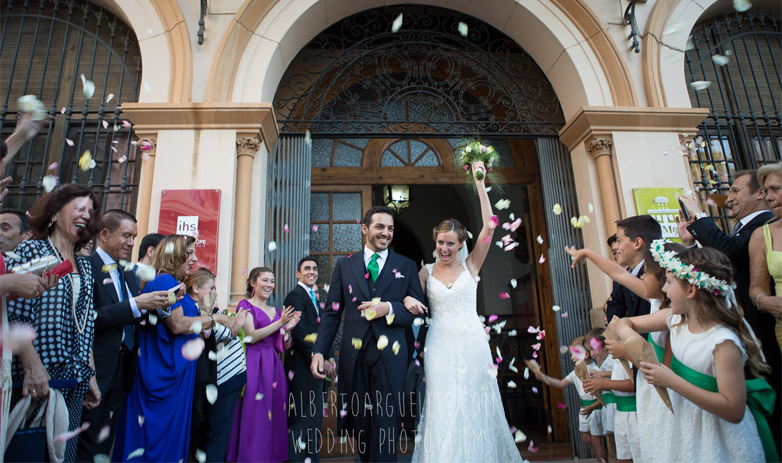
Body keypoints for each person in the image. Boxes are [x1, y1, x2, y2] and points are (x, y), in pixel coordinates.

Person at [404, 161, 522, 463]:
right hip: (439, 345)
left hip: (472, 345)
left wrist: (479, 181)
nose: (445, 249)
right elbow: (409, 298)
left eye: (451, 244)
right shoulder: (425, 272)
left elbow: (491, 224)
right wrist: (406, 301)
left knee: (474, 403)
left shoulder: (472, 266)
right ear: (435, 241)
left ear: (461, 244)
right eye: (441, 243)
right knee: (442, 406)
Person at [615, 245, 777, 462]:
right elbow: (625, 322)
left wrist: (672, 381)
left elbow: (734, 409)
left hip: (718, 436)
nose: (664, 289)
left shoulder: (722, 342)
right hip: (687, 426)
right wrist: (628, 333)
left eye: (670, 283)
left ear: (691, 290)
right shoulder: (674, 320)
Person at [310, 204, 425, 463]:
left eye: (390, 228)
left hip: (391, 355)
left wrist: (390, 308)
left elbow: (417, 311)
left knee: (385, 424)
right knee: (361, 423)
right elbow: (331, 314)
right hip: (355, 355)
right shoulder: (345, 265)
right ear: (365, 229)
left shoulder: (406, 266)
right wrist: (319, 350)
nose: (386, 232)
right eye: (380, 227)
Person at [113, 235, 232, 462]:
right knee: (155, 440)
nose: (195, 259)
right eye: (189, 253)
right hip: (161, 374)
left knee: (168, 439)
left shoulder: (175, 285)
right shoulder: (165, 281)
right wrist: (217, 319)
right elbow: (177, 325)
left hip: (175, 374)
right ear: (174, 254)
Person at [5, 183, 101, 462]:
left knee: (63, 455)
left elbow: (85, 324)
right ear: (56, 214)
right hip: (39, 381)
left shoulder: (84, 265)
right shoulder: (32, 251)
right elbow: (17, 314)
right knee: (31, 452)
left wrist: (91, 374)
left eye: (91, 211)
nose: (86, 215)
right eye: (79, 208)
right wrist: (32, 365)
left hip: (74, 380)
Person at [76, 210, 176, 461]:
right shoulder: (87, 267)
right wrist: (138, 304)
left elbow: (134, 315)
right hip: (96, 369)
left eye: (134, 237)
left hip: (122, 370)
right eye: (126, 236)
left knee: (106, 442)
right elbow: (90, 318)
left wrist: (160, 307)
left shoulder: (128, 273)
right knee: (87, 443)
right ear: (104, 234)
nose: (132, 243)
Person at [678, 171, 774, 366]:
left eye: (735, 191)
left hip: (761, 321)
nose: (729, 199)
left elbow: (728, 251)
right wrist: (690, 244)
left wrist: (699, 215)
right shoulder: (741, 227)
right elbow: (720, 263)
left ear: (760, 193)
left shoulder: (766, 223)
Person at [228, 267, 300, 463]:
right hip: (253, 363)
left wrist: (288, 330)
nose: (269, 285)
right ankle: (251, 456)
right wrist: (280, 324)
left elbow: (282, 344)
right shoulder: (245, 305)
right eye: (265, 280)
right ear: (253, 283)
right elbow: (250, 335)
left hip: (274, 365)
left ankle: (270, 457)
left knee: (273, 413)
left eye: (272, 281)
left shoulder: (276, 311)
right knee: (254, 412)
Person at [285, 256, 335, 462]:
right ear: (298, 274)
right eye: (307, 268)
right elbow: (299, 332)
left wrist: (330, 356)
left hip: (316, 369)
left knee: (314, 421)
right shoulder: (295, 296)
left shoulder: (315, 299)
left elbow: (323, 331)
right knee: (301, 421)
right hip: (302, 368)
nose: (312, 271)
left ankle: (311, 459)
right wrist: (319, 357)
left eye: (314, 268)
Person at [747, 161, 782, 449]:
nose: (770, 197)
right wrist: (766, 302)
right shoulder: (763, 235)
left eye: (776, 189)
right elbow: (756, 287)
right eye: (766, 190)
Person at [533, 337, 607, 463]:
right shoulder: (575, 372)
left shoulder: (596, 371)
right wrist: (543, 377)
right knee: (586, 439)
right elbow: (561, 383)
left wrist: (593, 406)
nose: (572, 358)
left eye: (574, 355)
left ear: (586, 354)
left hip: (595, 408)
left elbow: (604, 396)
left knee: (596, 440)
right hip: (584, 409)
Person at [202, 272, 248, 463]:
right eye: (211, 288)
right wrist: (235, 323)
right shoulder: (204, 315)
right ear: (197, 289)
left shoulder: (213, 313)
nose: (215, 293)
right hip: (222, 380)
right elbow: (229, 333)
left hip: (230, 379)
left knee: (220, 433)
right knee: (217, 435)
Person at [605, 215, 662, 323]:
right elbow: (615, 311)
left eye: (619, 241)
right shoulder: (620, 281)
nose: (615, 247)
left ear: (637, 243)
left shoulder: (658, 273)